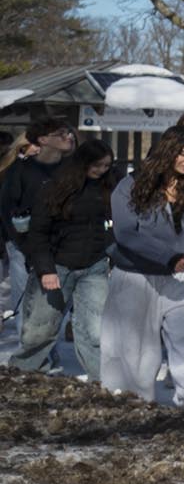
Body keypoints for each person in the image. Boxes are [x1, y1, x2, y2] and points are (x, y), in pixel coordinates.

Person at [101, 125, 184, 408]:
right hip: (136, 274)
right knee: (134, 347)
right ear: (168, 151)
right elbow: (125, 233)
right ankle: (130, 402)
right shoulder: (131, 184)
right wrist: (166, 255)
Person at [17, 138, 118, 379]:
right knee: (40, 329)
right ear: (83, 162)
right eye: (97, 165)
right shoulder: (55, 188)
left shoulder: (110, 188)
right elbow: (38, 232)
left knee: (95, 330)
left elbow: (115, 226)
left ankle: (103, 380)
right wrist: (45, 269)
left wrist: (111, 255)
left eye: (107, 165)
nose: (102, 170)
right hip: (56, 265)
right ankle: (23, 373)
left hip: (94, 266)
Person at [1, 118, 74, 337]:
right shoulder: (20, 170)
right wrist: (22, 245)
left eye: (69, 132)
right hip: (23, 245)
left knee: (56, 303)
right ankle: (29, 350)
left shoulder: (72, 170)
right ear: (43, 140)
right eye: (61, 134)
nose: (69, 137)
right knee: (28, 301)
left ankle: (48, 350)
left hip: (62, 246)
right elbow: (8, 209)